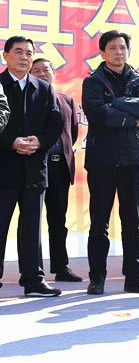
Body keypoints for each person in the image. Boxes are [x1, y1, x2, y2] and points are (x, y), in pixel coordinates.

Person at [82, 30, 139, 295]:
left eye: (122, 47)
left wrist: (116, 102)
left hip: (133, 159)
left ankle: (134, 277)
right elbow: (98, 114)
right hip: (102, 160)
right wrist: (130, 119)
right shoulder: (93, 81)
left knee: (132, 222)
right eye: (112, 47)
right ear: (103, 52)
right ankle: (97, 277)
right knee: (99, 222)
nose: (118, 52)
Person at [0, 36, 63, 296]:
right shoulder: (0, 85)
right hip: (4, 168)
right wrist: (11, 142)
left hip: (35, 169)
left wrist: (40, 141)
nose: (24, 57)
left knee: (32, 228)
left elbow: (56, 123)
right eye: (18, 52)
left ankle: (34, 280)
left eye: (28, 53)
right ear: (5, 55)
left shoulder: (44, 88)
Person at [26, 58, 82, 282]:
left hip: (59, 168)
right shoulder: (28, 100)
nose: (42, 73)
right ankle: (31, 270)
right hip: (33, 168)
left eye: (46, 69)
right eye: (36, 70)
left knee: (58, 220)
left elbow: (72, 133)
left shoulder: (66, 100)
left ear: (54, 73)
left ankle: (61, 267)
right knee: (31, 221)